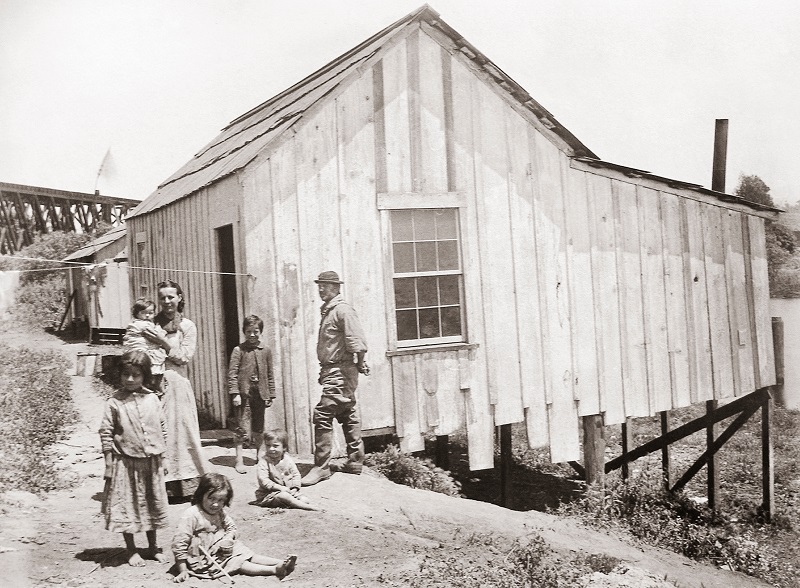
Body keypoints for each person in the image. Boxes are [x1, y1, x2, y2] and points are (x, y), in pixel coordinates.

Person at [98, 349, 169, 566]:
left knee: (151, 503)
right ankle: (131, 550)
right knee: (127, 505)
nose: (130, 379)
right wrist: (109, 464)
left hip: (151, 461)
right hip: (125, 462)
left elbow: (162, 428)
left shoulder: (153, 399)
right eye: (125, 374)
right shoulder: (114, 402)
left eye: (136, 375)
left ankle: (152, 547)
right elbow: (106, 432)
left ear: (144, 376)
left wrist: (164, 458)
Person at [140, 279, 208, 499]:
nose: (167, 301)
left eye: (171, 296)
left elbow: (184, 358)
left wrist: (164, 342)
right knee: (157, 433)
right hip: (152, 384)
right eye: (162, 297)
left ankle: (186, 487)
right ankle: (160, 488)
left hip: (177, 385)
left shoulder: (187, 326)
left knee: (182, 434)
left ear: (179, 298)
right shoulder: (151, 324)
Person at [301, 271, 370, 487]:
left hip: (341, 370)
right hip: (333, 369)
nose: (321, 289)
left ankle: (321, 467)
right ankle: (355, 461)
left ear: (336, 288)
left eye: (326, 286)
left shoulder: (342, 310)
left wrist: (359, 362)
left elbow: (357, 341)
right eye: (320, 285)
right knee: (346, 411)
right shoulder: (329, 310)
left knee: (323, 412)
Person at [171, 473, 297, 582]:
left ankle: (280, 562)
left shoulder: (220, 512)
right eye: (211, 498)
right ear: (201, 494)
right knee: (239, 563)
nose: (216, 504)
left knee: (248, 554)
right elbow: (179, 542)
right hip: (205, 557)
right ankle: (274, 569)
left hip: (222, 548)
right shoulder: (192, 514)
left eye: (221, 500)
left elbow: (231, 527)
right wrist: (182, 569)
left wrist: (229, 538)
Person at [227, 315, 276, 474]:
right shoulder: (238, 350)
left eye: (256, 331)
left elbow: (269, 374)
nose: (252, 335)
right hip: (243, 394)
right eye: (249, 331)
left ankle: (259, 456)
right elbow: (232, 374)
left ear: (260, 331)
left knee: (259, 427)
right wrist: (235, 393)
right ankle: (239, 459)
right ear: (244, 332)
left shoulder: (266, 350)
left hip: (260, 394)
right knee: (242, 426)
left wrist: (271, 394)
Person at [254, 429, 321, 511]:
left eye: (275, 446)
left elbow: (296, 474)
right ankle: (307, 507)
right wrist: (280, 488)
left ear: (284, 447)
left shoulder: (287, 459)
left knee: (304, 500)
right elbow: (264, 480)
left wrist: (295, 488)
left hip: (288, 490)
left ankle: (294, 503)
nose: (271, 449)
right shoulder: (264, 461)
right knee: (284, 496)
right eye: (268, 446)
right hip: (269, 494)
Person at [123, 298, 168, 396]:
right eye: (144, 312)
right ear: (137, 313)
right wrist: (163, 332)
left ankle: (151, 388)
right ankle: (157, 388)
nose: (147, 315)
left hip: (135, 350)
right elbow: (157, 334)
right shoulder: (144, 324)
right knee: (153, 367)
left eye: (151, 313)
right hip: (144, 350)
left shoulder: (134, 323)